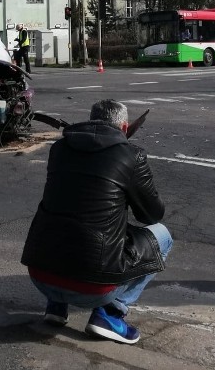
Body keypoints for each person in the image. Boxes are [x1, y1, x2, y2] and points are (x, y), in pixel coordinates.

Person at [21, 99, 172, 344]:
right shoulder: (131, 155)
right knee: (162, 235)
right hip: (93, 287)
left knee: (69, 214)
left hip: (41, 276)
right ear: (124, 128)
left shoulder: (59, 148)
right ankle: (111, 314)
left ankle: (57, 307)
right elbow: (151, 215)